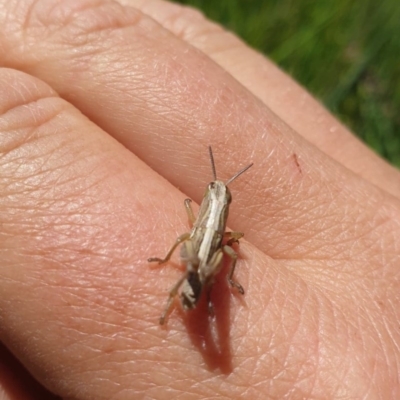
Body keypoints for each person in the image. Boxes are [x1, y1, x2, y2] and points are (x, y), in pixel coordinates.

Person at [0, 0, 399, 398]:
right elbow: (224, 237)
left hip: (201, 257)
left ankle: (189, 296)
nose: (215, 192)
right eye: (215, 188)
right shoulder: (216, 214)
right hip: (203, 256)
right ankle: (193, 293)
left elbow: (206, 234)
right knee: (213, 249)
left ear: (219, 200)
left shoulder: (209, 211)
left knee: (204, 249)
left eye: (218, 192)